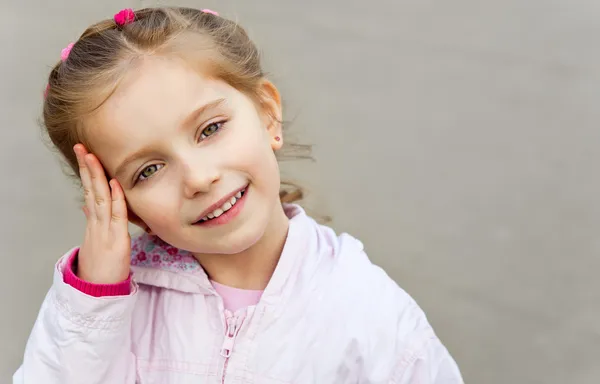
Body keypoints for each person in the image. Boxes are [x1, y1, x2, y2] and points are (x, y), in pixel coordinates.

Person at [14, 7, 463, 384]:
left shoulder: (367, 313)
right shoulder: (104, 314)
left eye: (210, 129)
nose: (198, 178)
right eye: (148, 170)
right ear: (121, 205)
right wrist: (95, 297)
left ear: (268, 113)